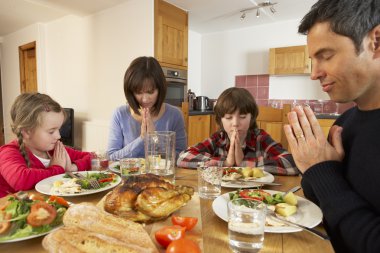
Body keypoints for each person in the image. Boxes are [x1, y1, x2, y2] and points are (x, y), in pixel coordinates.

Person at [283, 0, 380, 252]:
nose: (314, 74)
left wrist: (322, 170)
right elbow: (323, 204)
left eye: (325, 56)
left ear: (376, 42)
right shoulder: (344, 124)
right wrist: (313, 168)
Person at [177, 87, 298, 175]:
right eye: (229, 117)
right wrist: (225, 163)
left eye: (243, 116)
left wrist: (243, 163)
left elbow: (292, 164)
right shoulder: (218, 139)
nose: (235, 123)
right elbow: (183, 158)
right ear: (220, 120)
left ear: (252, 118)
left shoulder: (260, 138)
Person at [0, 93, 91, 197]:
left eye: (59, 129)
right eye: (51, 132)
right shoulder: (8, 152)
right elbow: (21, 180)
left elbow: (91, 157)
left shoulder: (54, 149)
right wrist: (58, 168)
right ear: (27, 132)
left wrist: (72, 168)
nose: (58, 136)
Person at [107, 56, 187, 160]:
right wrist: (142, 139)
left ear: (160, 89)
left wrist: (154, 138)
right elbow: (111, 157)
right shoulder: (119, 114)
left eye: (150, 92)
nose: (144, 99)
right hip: (127, 176)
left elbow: (181, 157)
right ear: (130, 91)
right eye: (138, 92)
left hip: (162, 176)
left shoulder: (175, 115)